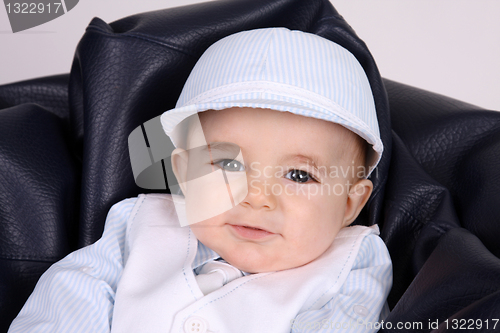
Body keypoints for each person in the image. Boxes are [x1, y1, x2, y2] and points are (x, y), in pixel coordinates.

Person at [9, 27, 392, 333]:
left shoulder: (352, 264)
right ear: (182, 173)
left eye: (298, 175)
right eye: (226, 164)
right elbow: (75, 291)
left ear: (349, 204)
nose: (257, 198)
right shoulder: (140, 224)